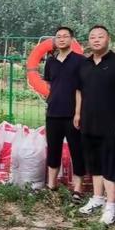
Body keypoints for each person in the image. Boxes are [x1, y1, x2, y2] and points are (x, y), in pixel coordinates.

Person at [76, 25, 115, 225]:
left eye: (100, 36)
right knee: (94, 163)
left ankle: (111, 204)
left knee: (111, 162)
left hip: (112, 123)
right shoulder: (84, 64)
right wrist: (77, 113)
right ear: (88, 41)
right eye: (92, 37)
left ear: (108, 39)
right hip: (88, 122)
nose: (96, 40)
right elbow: (79, 92)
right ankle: (98, 198)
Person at [43, 26, 86, 202]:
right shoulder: (50, 62)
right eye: (58, 36)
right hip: (53, 113)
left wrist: (78, 113)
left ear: (72, 39)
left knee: (77, 151)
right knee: (53, 149)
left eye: (65, 36)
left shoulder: (80, 61)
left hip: (72, 115)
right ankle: (51, 185)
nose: (61, 39)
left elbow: (81, 89)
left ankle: (78, 188)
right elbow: (48, 84)